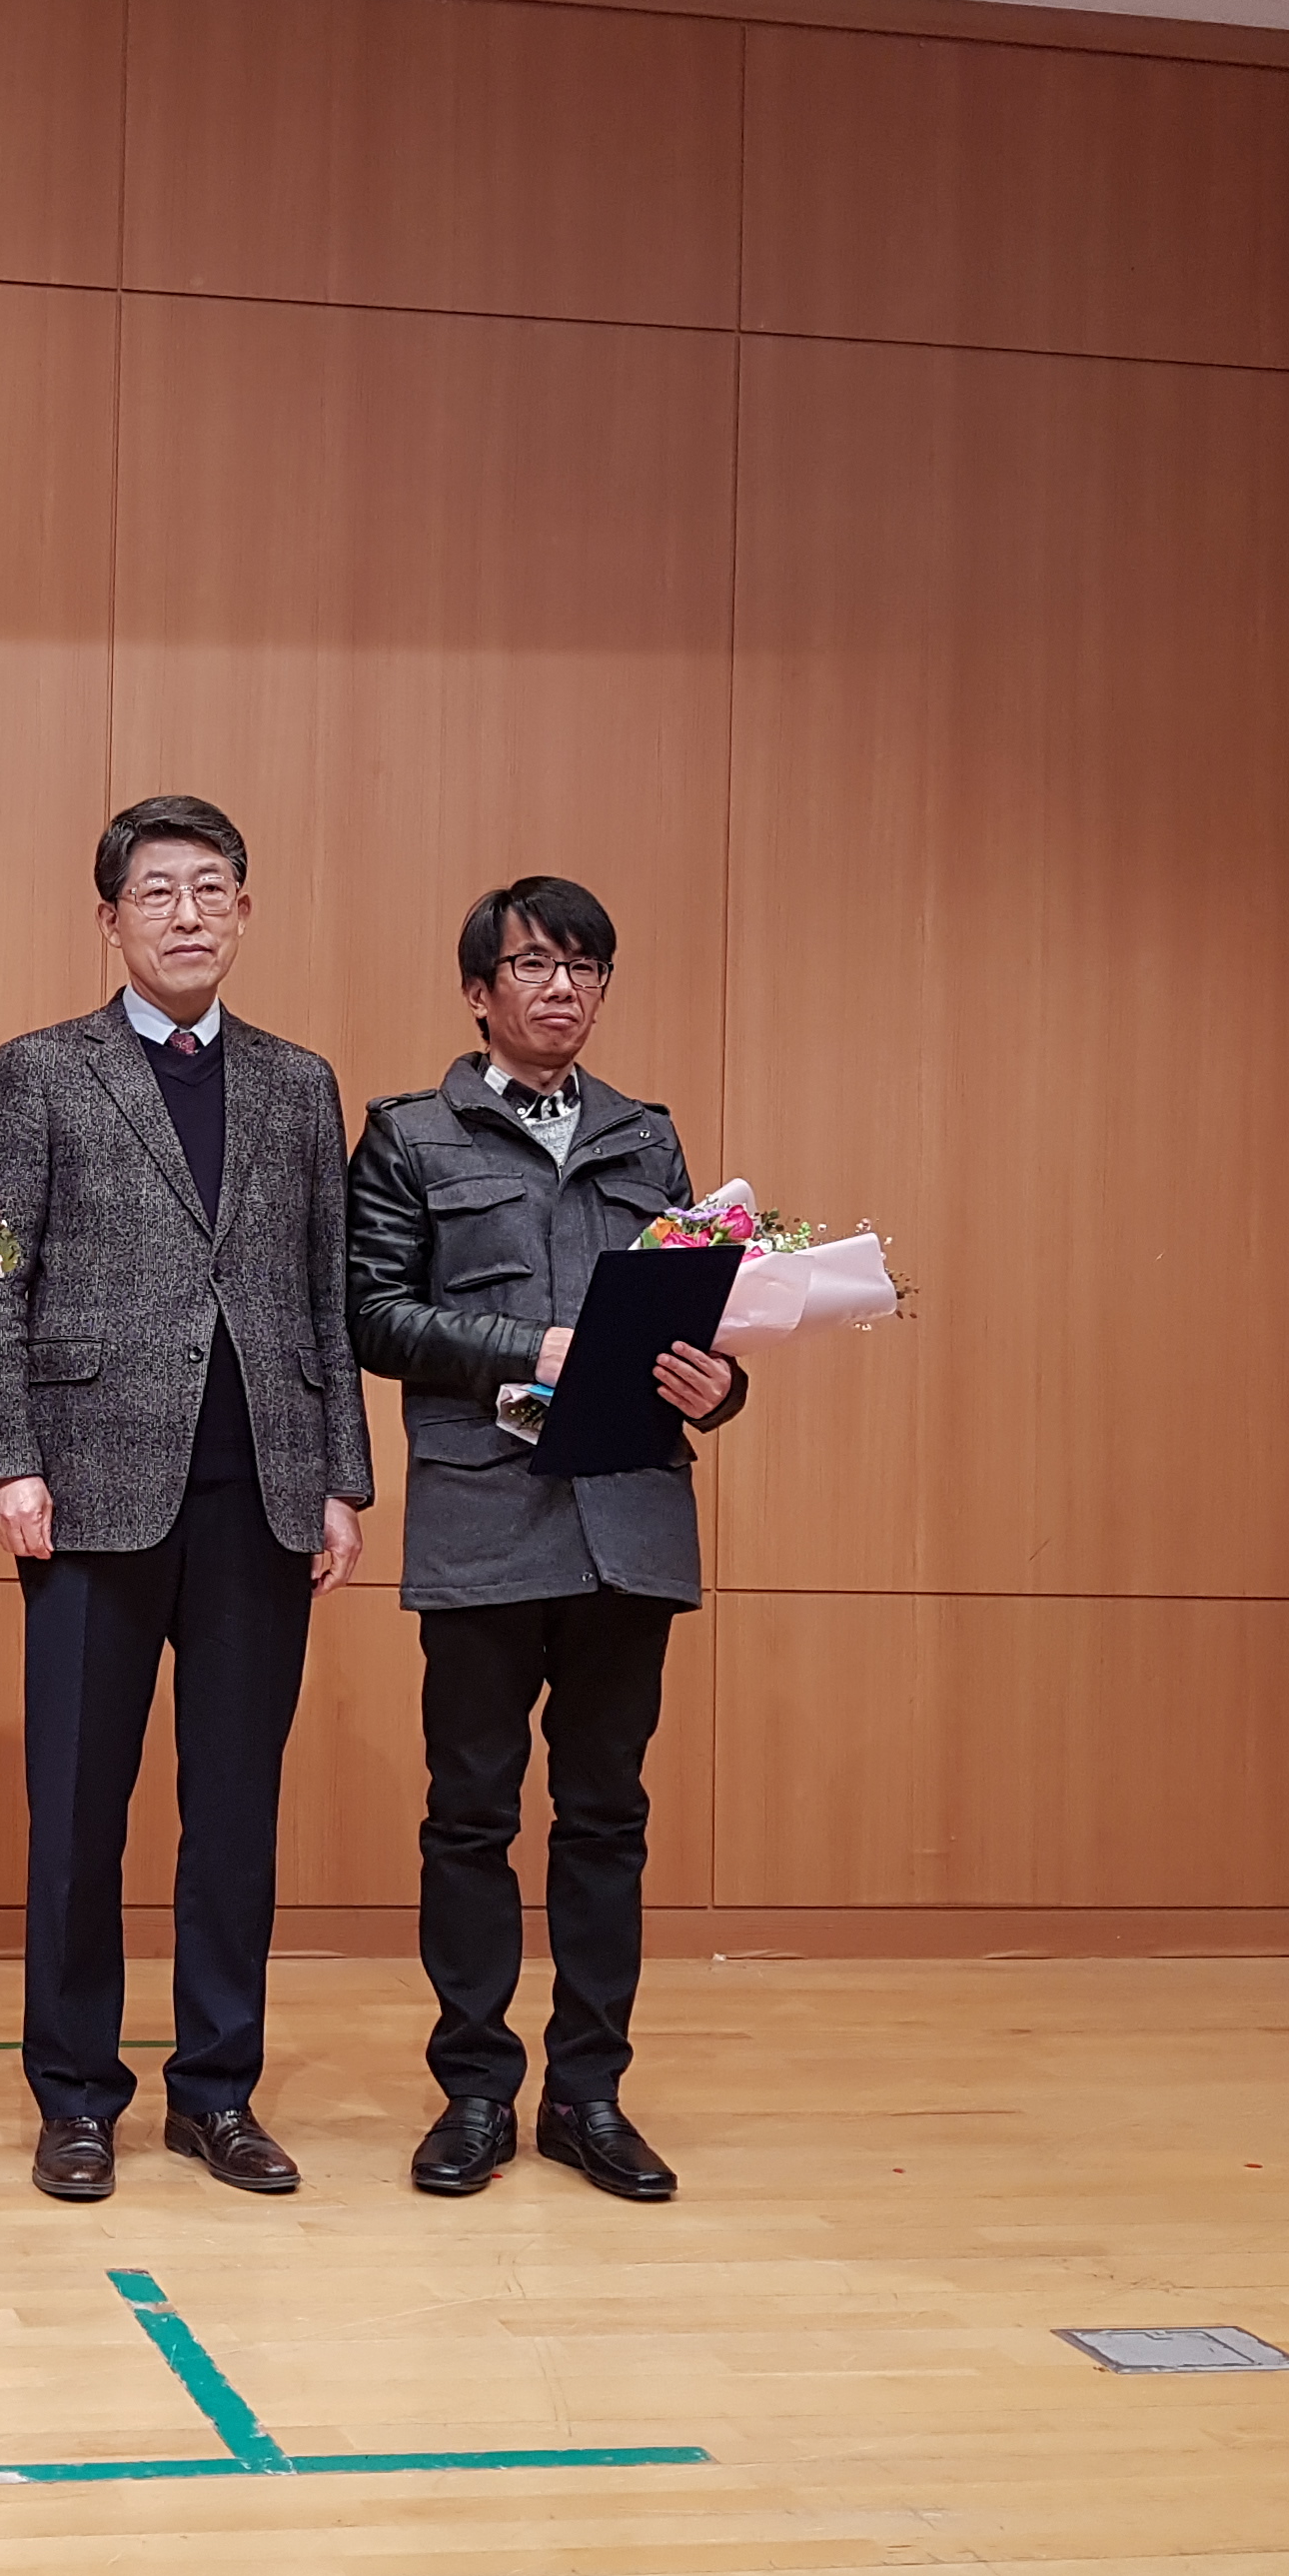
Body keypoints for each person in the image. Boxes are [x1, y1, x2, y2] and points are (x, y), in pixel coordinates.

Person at [0, 794, 371, 2202]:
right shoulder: (37, 1071)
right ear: (110, 919)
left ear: (244, 910)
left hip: (264, 1491)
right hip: (86, 1490)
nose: (185, 915)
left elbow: (325, 1291)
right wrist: (6, 1459)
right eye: (156, 892)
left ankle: (216, 2092)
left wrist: (342, 1477)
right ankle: (76, 2098)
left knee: (235, 1814)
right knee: (79, 1813)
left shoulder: (301, 1083)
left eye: (210, 890)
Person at [344, 876, 744, 2204]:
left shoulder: (647, 1135)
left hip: (629, 1513)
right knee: (470, 1817)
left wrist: (719, 1385)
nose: (562, 987)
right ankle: (474, 2091)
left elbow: (699, 1317)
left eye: (585, 966)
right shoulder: (410, 1133)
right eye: (532, 964)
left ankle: (588, 2096)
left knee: (606, 1817)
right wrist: (531, 1347)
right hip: (484, 1519)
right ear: (479, 991)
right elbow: (373, 1314)